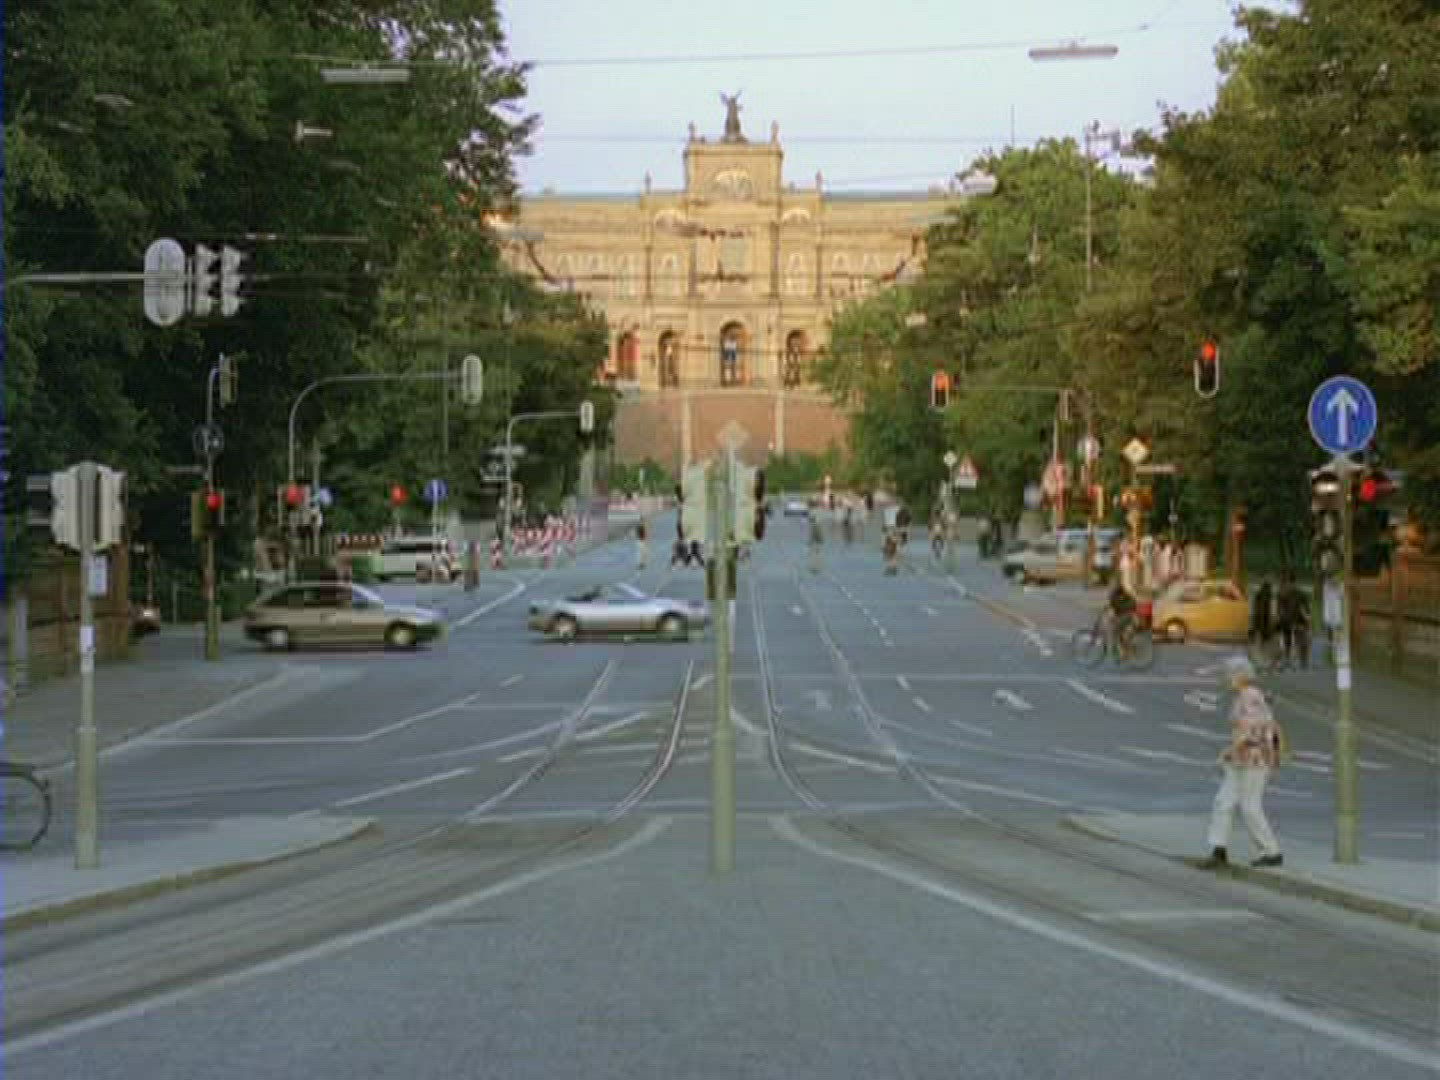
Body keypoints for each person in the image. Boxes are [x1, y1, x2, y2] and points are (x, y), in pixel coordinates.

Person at [1204, 656, 1284, 868]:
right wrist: (1232, 752)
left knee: (1250, 806)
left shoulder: (1250, 696)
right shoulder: (1244, 696)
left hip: (1254, 759)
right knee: (1224, 801)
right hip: (1240, 759)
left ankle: (1272, 851)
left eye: (1229, 674)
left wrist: (1230, 751)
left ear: (1240, 676)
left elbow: (1251, 731)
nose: (1226, 678)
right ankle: (1218, 848)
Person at [1275, 574, 1309, 670]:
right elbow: (1279, 608)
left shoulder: (1299, 593)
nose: (1289, 585)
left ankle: (1301, 661)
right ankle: (1289, 660)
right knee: (1288, 641)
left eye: (1290, 583)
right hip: (1288, 620)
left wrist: (1307, 617)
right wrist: (1278, 618)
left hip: (1297, 620)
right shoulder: (1282, 594)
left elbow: (1305, 607)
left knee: (1299, 640)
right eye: (1287, 583)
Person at [1106, 580, 1137, 653]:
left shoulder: (1120, 594)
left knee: (1117, 629)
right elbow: (1112, 604)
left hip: (1126, 614)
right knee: (1118, 629)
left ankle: (1123, 648)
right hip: (1124, 614)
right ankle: (1123, 646)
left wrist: (1113, 609)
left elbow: (1114, 603)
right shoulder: (1116, 595)